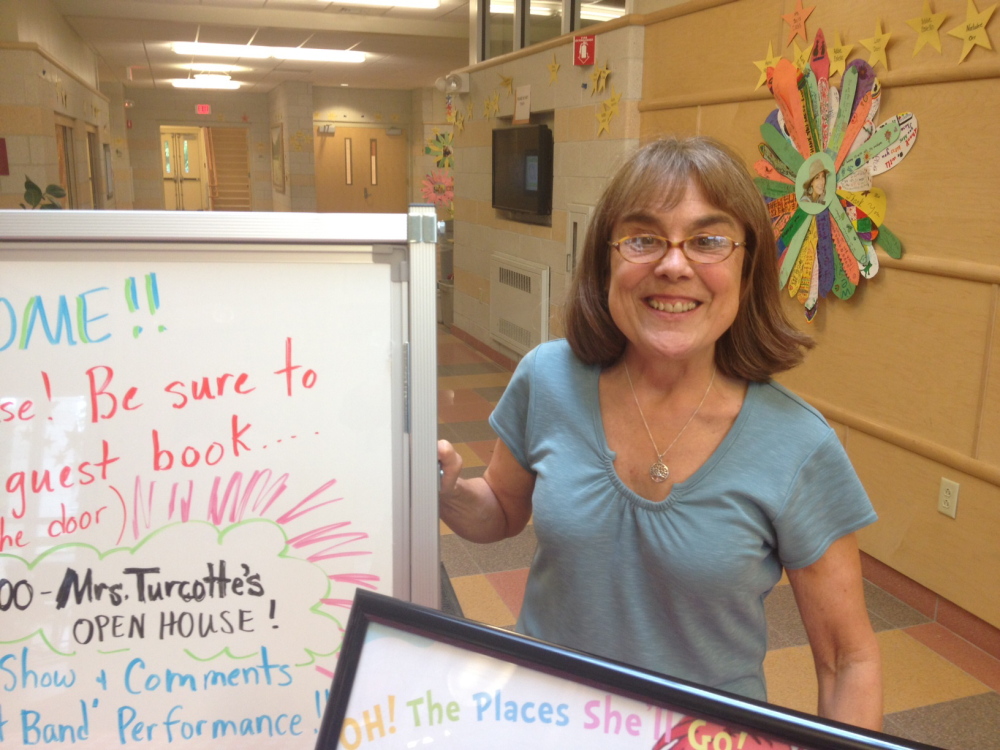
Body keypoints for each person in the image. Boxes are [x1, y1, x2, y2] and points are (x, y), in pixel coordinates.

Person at [438, 137, 882, 730]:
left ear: (748, 271)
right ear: (607, 262)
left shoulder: (797, 445)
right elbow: (500, 510)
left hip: (698, 738)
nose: (674, 265)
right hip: (542, 720)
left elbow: (846, 659)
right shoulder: (547, 378)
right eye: (644, 238)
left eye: (709, 240)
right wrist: (449, 492)